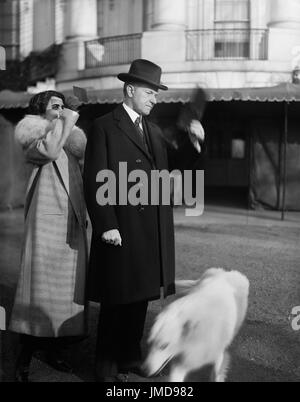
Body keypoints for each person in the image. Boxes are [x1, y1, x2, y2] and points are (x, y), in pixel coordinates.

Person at [83, 59, 205, 382]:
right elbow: (95, 179)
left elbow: (173, 165)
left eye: (157, 94)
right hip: (121, 229)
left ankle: (128, 357)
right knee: (116, 301)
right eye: (150, 92)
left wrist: (193, 143)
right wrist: (106, 223)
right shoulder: (105, 126)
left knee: (138, 301)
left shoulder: (152, 130)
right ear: (130, 89)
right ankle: (106, 370)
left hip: (151, 231)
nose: (155, 99)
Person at [9, 90, 88, 382]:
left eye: (63, 106)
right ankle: (24, 355)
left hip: (71, 223)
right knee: (38, 293)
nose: (61, 110)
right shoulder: (35, 137)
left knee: (65, 295)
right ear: (41, 112)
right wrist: (67, 118)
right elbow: (51, 151)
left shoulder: (69, 139)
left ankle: (55, 349)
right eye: (55, 106)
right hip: (45, 227)